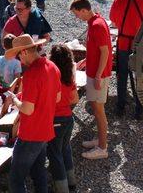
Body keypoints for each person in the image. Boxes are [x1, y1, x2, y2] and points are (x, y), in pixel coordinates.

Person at [3, 34, 61, 193]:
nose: (19, 61)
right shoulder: (52, 67)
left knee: (16, 180)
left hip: (30, 134)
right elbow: (56, 97)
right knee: (38, 173)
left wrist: (15, 100)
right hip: (45, 130)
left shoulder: (31, 74)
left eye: (18, 56)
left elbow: (28, 109)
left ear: (24, 52)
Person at [69, 0, 112, 159]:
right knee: (96, 108)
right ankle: (100, 139)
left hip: (97, 75)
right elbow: (97, 49)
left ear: (84, 10)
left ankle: (102, 148)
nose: (77, 17)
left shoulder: (97, 25)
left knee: (99, 110)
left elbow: (105, 52)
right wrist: (87, 60)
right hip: (94, 72)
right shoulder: (95, 22)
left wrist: (99, 75)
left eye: (77, 14)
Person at [109, 0, 143, 120]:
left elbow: (113, 21)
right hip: (138, 45)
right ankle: (140, 107)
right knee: (139, 76)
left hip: (123, 43)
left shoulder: (118, 1)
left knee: (122, 75)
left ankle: (120, 106)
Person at [46, 44, 79, 193]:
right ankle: (71, 182)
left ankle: (61, 188)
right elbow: (74, 99)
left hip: (55, 120)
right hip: (68, 118)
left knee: (55, 154)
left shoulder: (52, 77)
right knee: (65, 150)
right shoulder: (68, 77)